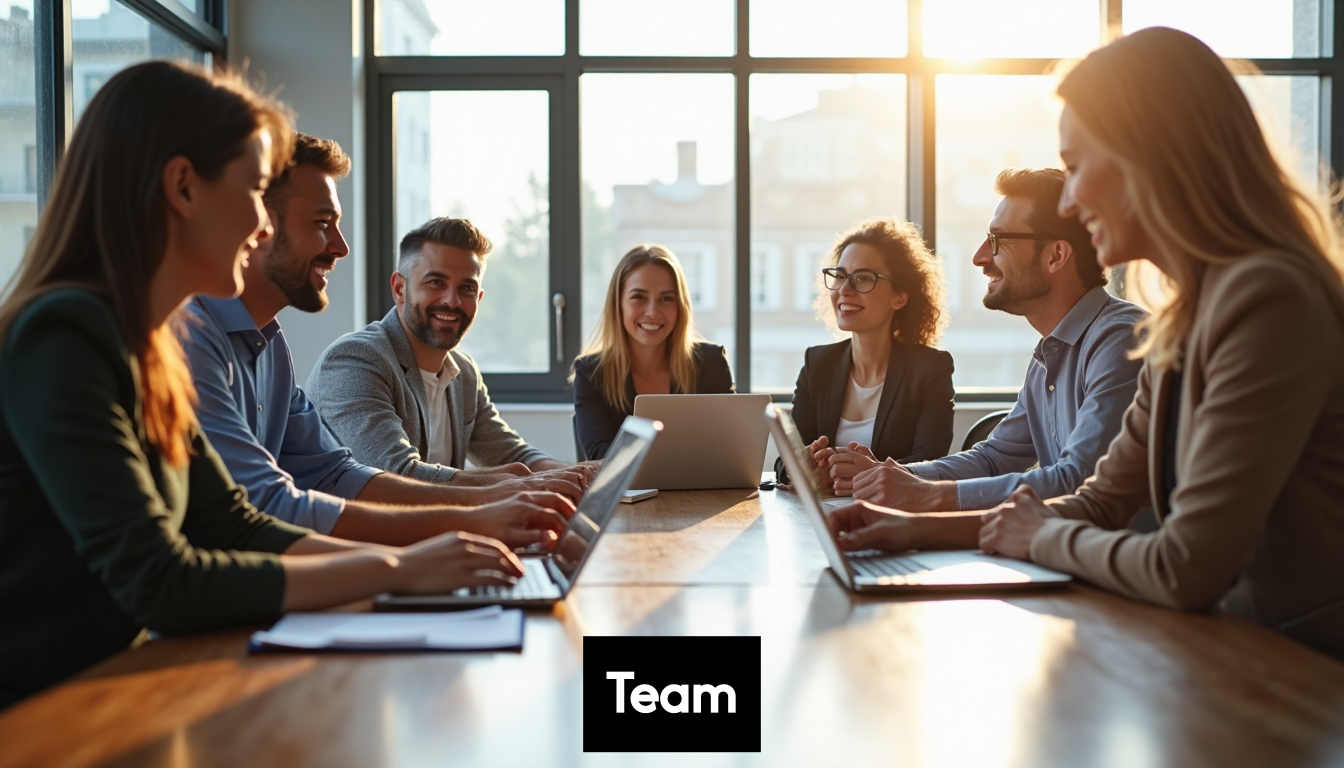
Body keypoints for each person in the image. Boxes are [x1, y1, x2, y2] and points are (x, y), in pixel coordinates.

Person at [0, 62, 524, 708]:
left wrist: (421, 562)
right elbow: (158, 579)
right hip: (41, 716)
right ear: (183, 188)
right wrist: (400, 568)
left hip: (115, 693)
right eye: (253, 191)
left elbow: (238, 525)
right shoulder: (65, 333)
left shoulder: (150, 345)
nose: (261, 225)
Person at [827, 27, 1344, 658]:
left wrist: (1034, 536)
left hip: (1304, 682)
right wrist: (911, 531)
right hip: (1231, 658)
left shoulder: (1267, 300)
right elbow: (1100, 500)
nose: (1070, 198)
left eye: (1076, 168)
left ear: (1151, 159)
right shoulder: (1187, 314)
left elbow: (1185, 565)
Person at [181, 133, 584, 547]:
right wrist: (473, 516)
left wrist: (554, 480)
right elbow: (268, 502)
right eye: (322, 223)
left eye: (466, 288)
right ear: (257, 222)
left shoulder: (272, 347)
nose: (341, 247)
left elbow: (337, 476)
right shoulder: (347, 358)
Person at [841, 169, 1146, 509]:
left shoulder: (1121, 341)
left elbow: (1079, 479)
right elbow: (993, 458)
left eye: (998, 241)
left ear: (1056, 256)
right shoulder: (1050, 353)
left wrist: (927, 496)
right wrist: (887, 476)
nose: (980, 257)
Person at [308, 217, 595, 482]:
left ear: (479, 297)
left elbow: (515, 456)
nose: (452, 301)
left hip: (433, 532)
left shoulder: (464, 372)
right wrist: (511, 484)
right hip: (356, 536)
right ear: (399, 289)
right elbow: (396, 476)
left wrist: (588, 472)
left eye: (467, 288)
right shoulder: (355, 361)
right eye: (436, 283)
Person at [780, 217, 954, 492]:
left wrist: (872, 475)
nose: (844, 290)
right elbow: (786, 460)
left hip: (895, 520)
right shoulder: (817, 364)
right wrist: (802, 467)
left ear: (900, 297)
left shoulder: (930, 368)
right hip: (821, 515)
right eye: (839, 276)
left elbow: (930, 461)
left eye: (862, 278)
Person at [572, 244, 734, 460]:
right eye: (639, 297)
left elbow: (731, 448)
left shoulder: (711, 364)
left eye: (667, 298)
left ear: (681, 306)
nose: (652, 312)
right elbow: (601, 459)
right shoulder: (590, 373)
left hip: (702, 492)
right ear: (618, 304)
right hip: (626, 494)